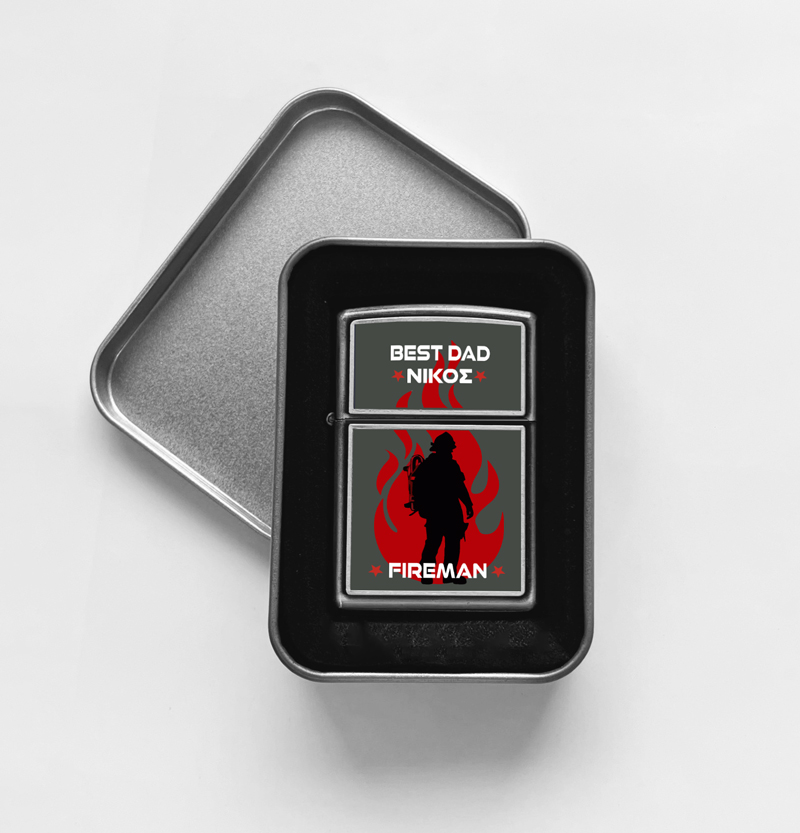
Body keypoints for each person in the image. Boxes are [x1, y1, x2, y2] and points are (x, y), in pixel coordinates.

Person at [414, 432, 474, 584]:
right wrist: (468, 504)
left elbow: (460, 487)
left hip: (447, 510)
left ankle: (445, 575)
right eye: (448, 447)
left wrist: (468, 504)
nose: (450, 450)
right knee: (435, 544)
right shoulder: (431, 465)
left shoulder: (446, 464)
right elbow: (418, 488)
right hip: (439, 510)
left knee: (448, 544)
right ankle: (430, 575)